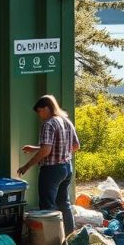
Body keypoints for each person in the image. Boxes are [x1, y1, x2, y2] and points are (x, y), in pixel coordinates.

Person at [17, 94, 81, 235]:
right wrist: (35, 148)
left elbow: (46, 150)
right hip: (66, 168)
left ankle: (51, 241)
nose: (39, 115)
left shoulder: (49, 124)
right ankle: (69, 236)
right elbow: (75, 146)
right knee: (64, 204)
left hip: (51, 170)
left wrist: (26, 166)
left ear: (47, 108)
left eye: (40, 111)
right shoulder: (66, 121)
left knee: (48, 206)